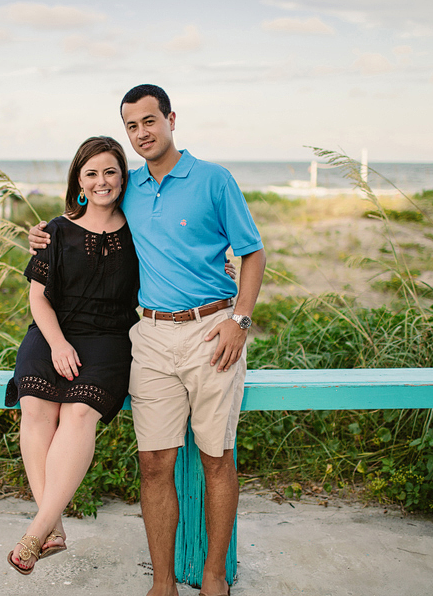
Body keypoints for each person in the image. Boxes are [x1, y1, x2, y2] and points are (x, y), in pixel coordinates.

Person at [29, 84, 267, 596]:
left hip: (211, 331)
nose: (141, 133)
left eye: (149, 121)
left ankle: (214, 576)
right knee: (154, 462)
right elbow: (88, 212)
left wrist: (240, 320)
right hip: (151, 336)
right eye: (131, 126)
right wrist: (46, 233)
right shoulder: (129, 185)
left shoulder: (213, 179)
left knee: (216, 459)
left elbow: (252, 252)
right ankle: (162, 585)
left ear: (171, 119)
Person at [5, 136, 141, 574]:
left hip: (110, 338)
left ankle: (37, 530)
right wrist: (59, 343)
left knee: (79, 413)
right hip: (51, 333)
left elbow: (181, 258)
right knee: (36, 407)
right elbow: (38, 298)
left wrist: (219, 266)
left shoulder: (139, 228)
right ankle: (54, 525)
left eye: (110, 171)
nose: (102, 181)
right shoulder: (55, 230)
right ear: (79, 181)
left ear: (123, 177)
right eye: (92, 173)